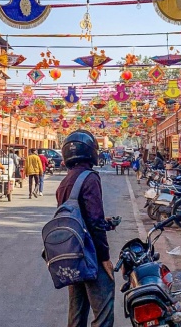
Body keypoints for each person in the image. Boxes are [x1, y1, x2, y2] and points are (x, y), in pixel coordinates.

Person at [56, 130, 114, 327]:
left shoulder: (66, 181)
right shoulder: (89, 177)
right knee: (103, 314)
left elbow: (78, 216)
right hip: (90, 255)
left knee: (76, 315)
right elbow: (95, 222)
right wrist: (104, 258)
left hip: (72, 255)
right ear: (91, 152)